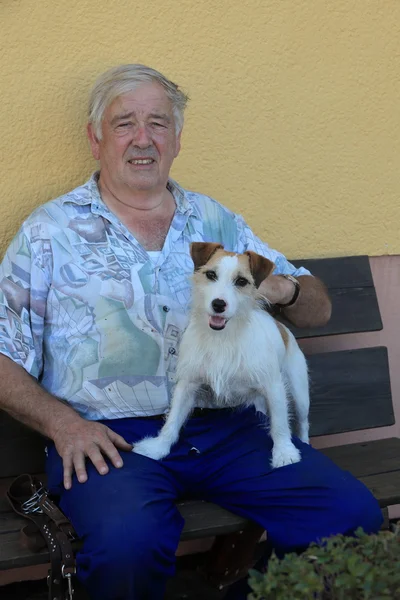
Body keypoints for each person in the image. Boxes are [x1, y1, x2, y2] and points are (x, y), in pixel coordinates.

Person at [0, 64, 382, 600]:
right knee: (127, 545)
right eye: (124, 123)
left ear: (177, 139)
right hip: (113, 440)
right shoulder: (48, 233)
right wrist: (65, 426)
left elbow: (316, 309)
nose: (143, 138)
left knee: (352, 516)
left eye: (158, 123)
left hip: (230, 431)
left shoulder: (217, 222)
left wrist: (285, 291)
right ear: (95, 139)